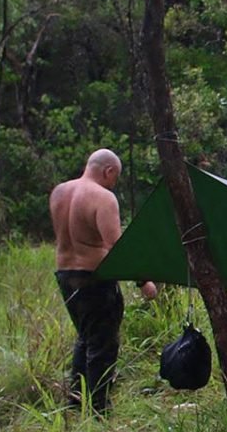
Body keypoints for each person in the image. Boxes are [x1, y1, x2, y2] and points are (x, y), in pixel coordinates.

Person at [49, 148, 155, 413]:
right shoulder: (103, 197)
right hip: (94, 279)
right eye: (115, 178)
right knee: (102, 345)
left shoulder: (59, 192)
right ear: (109, 171)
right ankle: (99, 410)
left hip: (65, 276)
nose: (114, 183)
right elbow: (116, 247)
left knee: (85, 338)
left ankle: (75, 403)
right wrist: (144, 282)